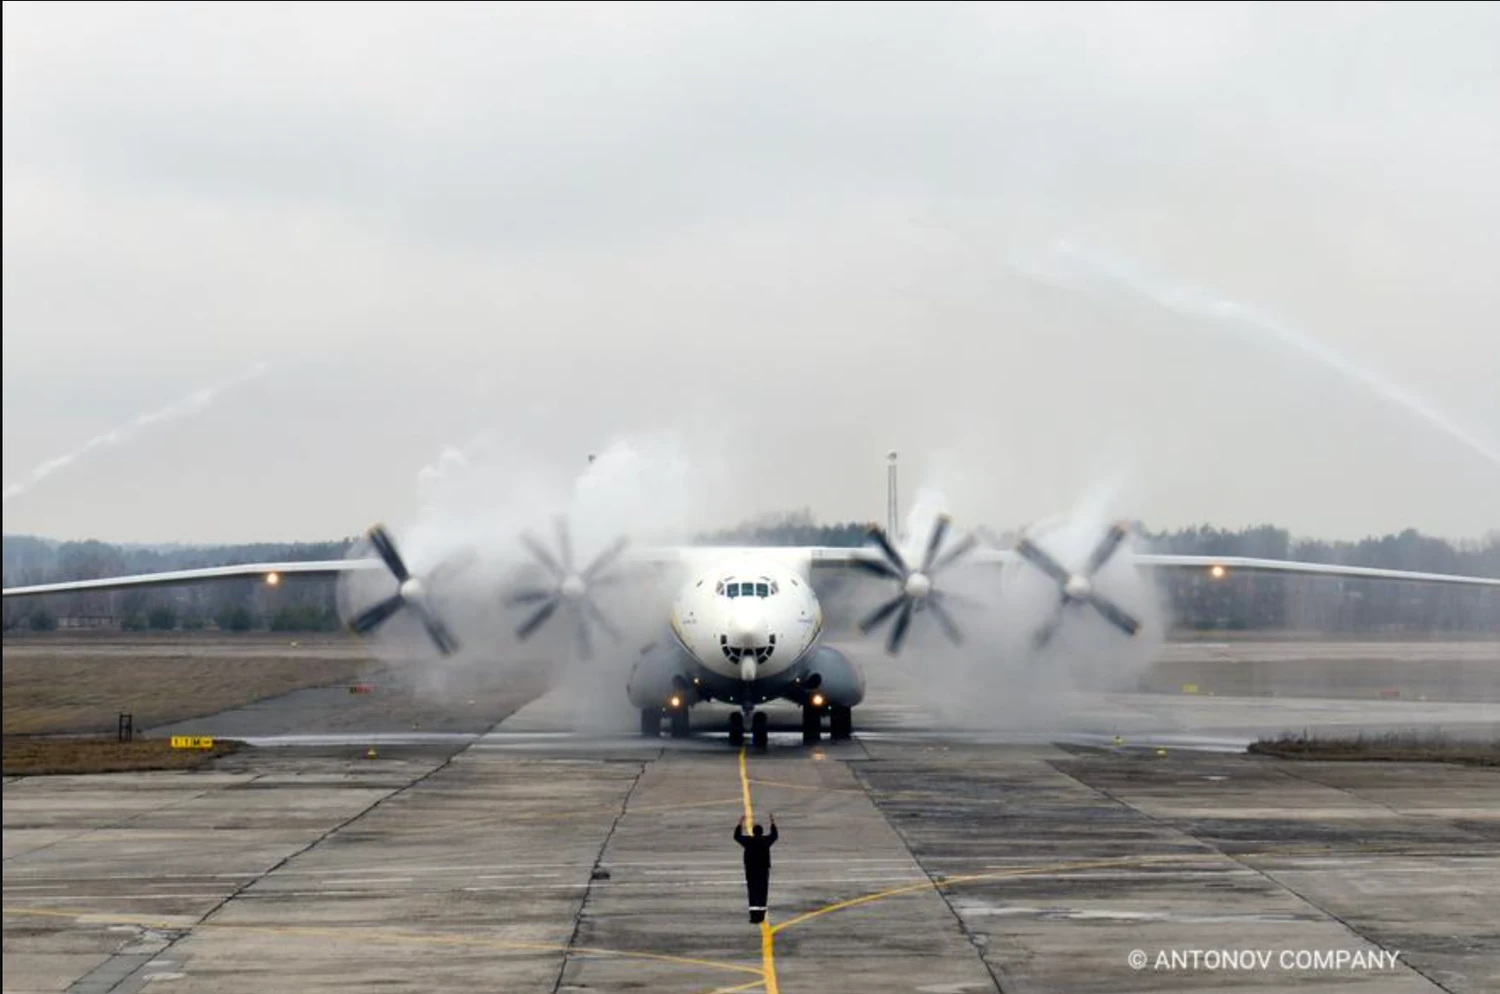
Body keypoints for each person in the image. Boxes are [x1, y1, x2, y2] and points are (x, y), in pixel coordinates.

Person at [733, 813, 778, 923]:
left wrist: (740, 823)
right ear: (762, 832)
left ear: (753, 832)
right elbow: (774, 835)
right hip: (763, 869)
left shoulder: (748, 841)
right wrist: (772, 822)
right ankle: (761, 916)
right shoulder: (765, 841)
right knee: (762, 891)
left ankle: (754, 916)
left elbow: (736, 836)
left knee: (752, 891)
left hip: (751, 870)